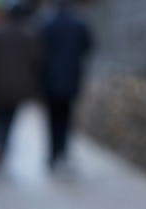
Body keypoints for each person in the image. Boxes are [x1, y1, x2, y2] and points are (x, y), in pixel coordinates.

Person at [0, 4, 42, 168]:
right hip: (18, 88)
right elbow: (37, 62)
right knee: (9, 118)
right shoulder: (29, 37)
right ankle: (2, 146)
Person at [39, 0, 92, 172]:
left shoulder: (48, 24)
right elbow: (88, 46)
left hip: (51, 81)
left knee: (52, 119)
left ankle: (53, 154)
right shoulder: (79, 24)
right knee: (66, 119)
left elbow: (39, 50)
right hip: (71, 80)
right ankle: (63, 152)